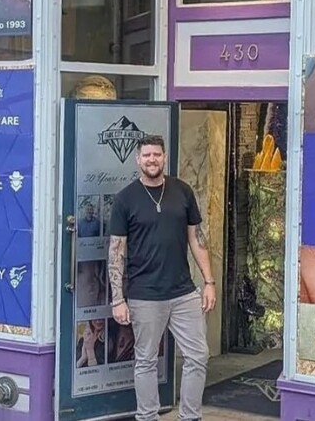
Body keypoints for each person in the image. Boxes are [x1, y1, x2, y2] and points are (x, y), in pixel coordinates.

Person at [108, 134, 215, 421]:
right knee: (145, 361)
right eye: (146, 155)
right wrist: (118, 299)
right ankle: (148, 417)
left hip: (183, 292)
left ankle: (190, 416)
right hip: (145, 295)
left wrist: (209, 282)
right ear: (137, 160)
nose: (152, 160)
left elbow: (197, 239)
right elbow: (116, 251)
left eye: (157, 154)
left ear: (165, 157)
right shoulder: (125, 199)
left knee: (197, 356)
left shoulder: (182, 191)